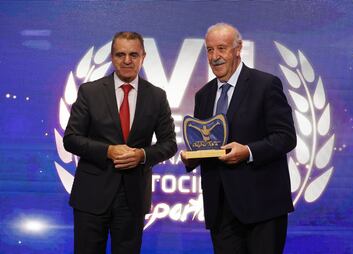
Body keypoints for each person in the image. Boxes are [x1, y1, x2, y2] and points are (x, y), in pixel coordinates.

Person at [181, 23, 296, 254]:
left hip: (262, 208)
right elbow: (207, 144)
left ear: (238, 49)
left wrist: (249, 152)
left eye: (221, 48)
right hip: (220, 210)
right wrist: (192, 158)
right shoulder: (203, 95)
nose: (215, 57)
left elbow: (285, 137)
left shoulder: (265, 84)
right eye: (210, 50)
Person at [63, 31, 177, 254]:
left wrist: (141, 155)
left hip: (133, 197)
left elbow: (169, 144)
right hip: (91, 196)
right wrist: (108, 151)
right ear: (112, 57)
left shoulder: (157, 96)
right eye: (121, 54)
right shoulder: (90, 92)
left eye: (133, 55)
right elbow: (71, 139)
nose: (127, 60)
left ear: (143, 57)